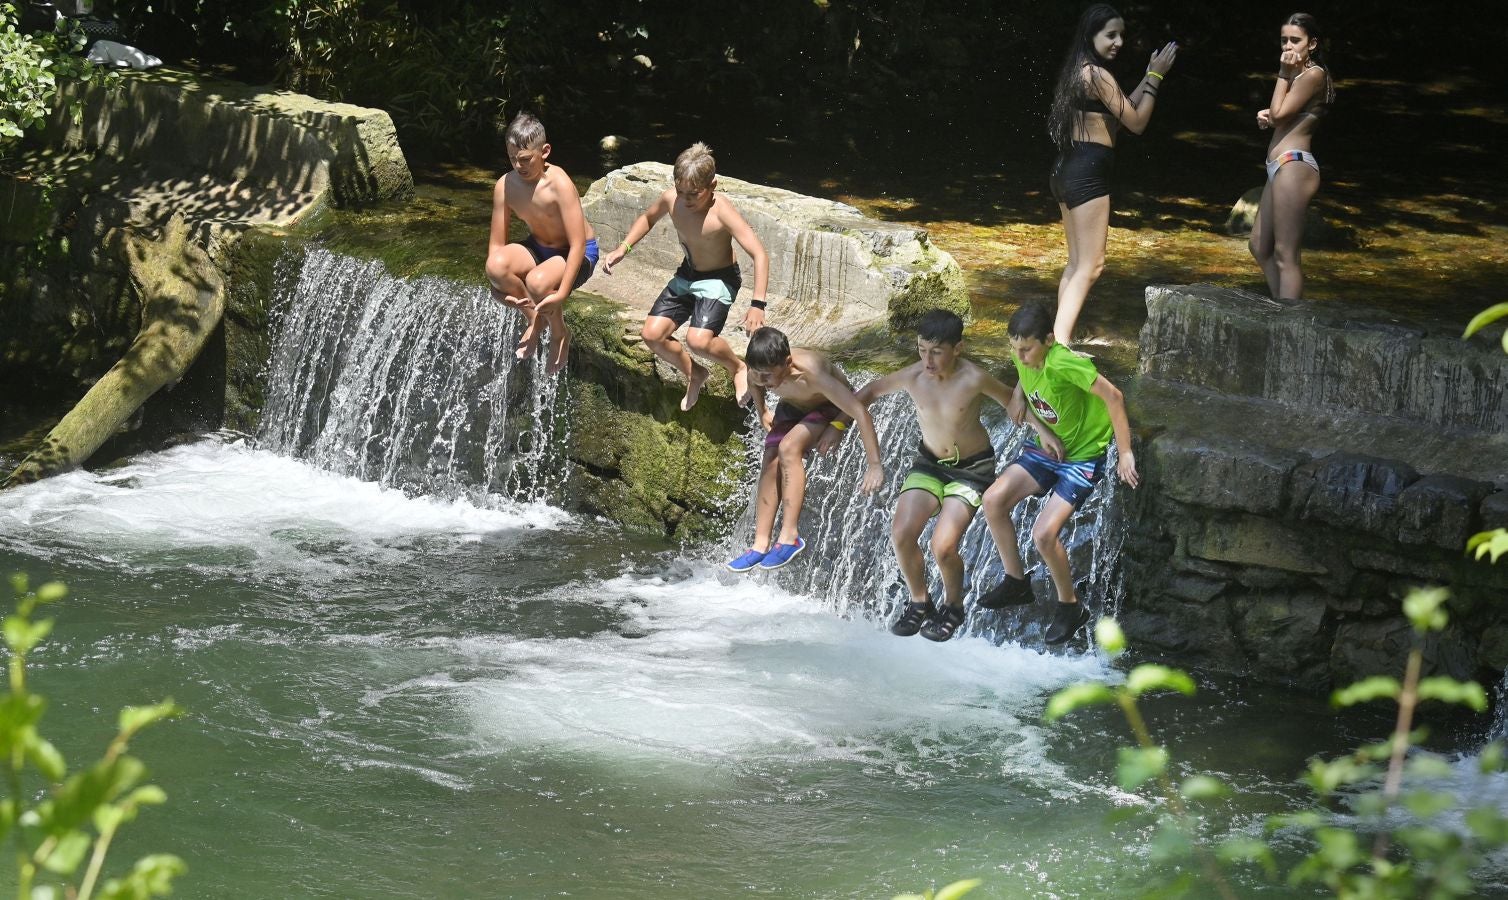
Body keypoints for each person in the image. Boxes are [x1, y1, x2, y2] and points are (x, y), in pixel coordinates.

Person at [855, 310, 1053, 643]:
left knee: (943, 546)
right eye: (921, 350)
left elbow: (1012, 403)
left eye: (936, 352)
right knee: (902, 533)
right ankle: (920, 601)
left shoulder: (974, 378)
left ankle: (954, 606)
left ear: (957, 348)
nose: (927, 360)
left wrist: (1043, 433)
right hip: (929, 464)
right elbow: (869, 393)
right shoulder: (913, 376)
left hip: (972, 469)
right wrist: (833, 424)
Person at [979, 302, 1139, 644]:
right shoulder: (1023, 356)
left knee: (1043, 535)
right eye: (1015, 349)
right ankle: (1016, 581)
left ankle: (1071, 607)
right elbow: (1025, 389)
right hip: (1047, 448)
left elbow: (1114, 396)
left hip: (1082, 457)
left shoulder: (1063, 362)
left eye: (1027, 349)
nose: (1020, 357)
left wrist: (1124, 452)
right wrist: (1039, 424)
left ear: (1049, 341)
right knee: (992, 499)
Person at [601, 143, 770, 410]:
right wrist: (624, 248)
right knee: (652, 335)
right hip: (688, 274)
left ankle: (737, 367)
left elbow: (759, 254)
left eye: (694, 194)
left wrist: (757, 304)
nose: (686, 200)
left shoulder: (721, 211)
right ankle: (695, 373)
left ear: (712, 186)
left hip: (719, 278)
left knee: (698, 340)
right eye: (681, 191)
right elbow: (647, 218)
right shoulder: (672, 199)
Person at [1047, 4, 1177, 345]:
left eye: (1121, 34)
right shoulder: (1098, 75)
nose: (1118, 41)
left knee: (1076, 265)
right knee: (1092, 266)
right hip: (1088, 172)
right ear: (1092, 35)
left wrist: (1148, 74)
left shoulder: (1079, 71)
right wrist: (1158, 78)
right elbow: (1137, 123)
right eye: (1110, 35)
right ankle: (1059, 346)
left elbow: (1120, 113)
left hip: (1066, 169)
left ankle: (1063, 336)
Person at [727, 327, 885, 572]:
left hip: (829, 407)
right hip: (793, 406)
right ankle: (760, 544)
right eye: (757, 373)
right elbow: (752, 380)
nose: (762, 381)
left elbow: (861, 412)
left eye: (767, 376)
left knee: (788, 447)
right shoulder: (759, 370)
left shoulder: (814, 374)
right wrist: (762, 412)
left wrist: (870, 460)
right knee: (770, 455)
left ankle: (790, 537)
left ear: (787, 363)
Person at [484, 112, 599, 375]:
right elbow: (496, 247)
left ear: (545, 151)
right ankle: (535, 319)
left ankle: (560, 334)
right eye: (512, 158)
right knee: (496, 266)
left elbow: (578, 243)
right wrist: (496, 288)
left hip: (577, 252)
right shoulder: (505, 186)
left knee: (538, 281)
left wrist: (560, 294)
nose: (518, 165)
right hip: (539, 247)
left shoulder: (559, 183)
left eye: (525, 159)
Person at [1249, 13, 1334, 301]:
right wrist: (1270, 118)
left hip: (1294, 165)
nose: (1288, 46)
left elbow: (1281, 113)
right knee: (1259, 246)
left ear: (1312, 44)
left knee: (1286, 254)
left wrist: (1283, 75)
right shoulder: (1300, 76)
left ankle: (1289, 326)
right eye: (1284, 40)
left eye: (1295, 40)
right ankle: (1282, 312)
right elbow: (1280, 115)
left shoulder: (1314, 74)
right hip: (1279, 167)